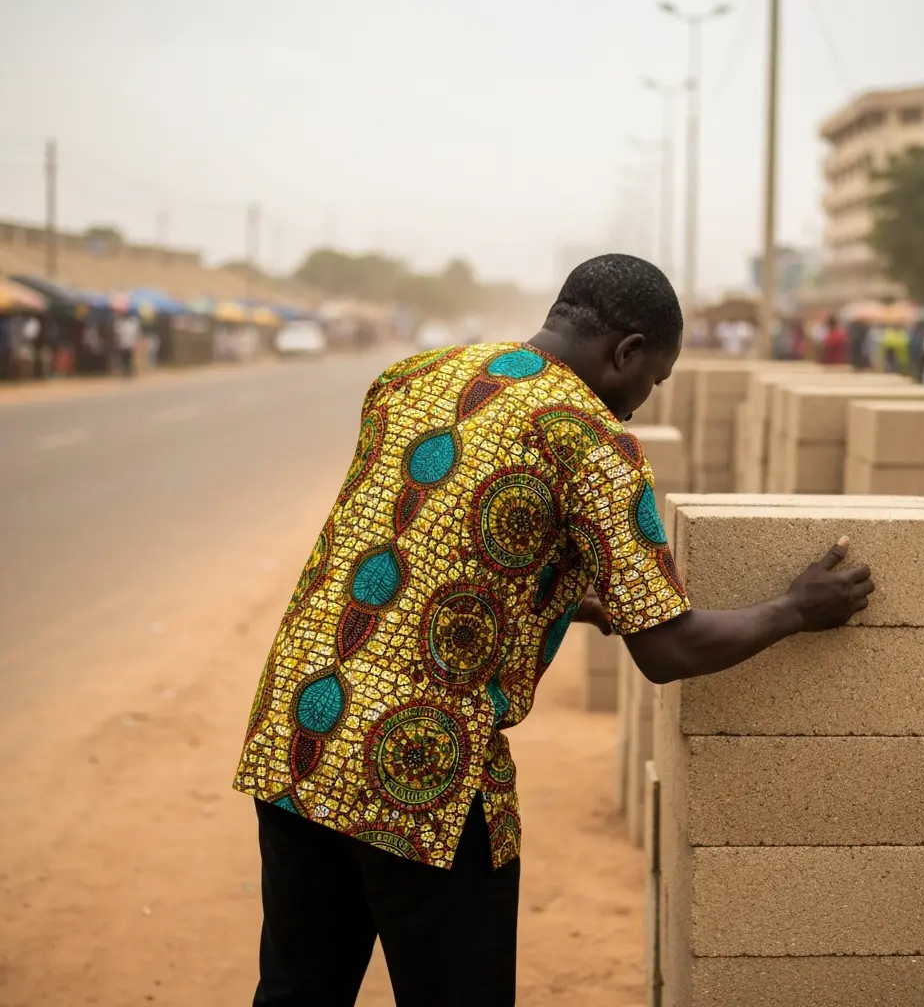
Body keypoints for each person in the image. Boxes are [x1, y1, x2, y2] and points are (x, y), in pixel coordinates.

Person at [233, 254, 873, 1007]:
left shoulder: (413, 374)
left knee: (299, 989)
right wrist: (795, 609)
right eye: (653, 378)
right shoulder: (593, 442)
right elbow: (669, 649)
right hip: (417, 766)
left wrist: (565, 598)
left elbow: (431, 537)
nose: (642, 400)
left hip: (299, 725)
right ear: (628, 352)